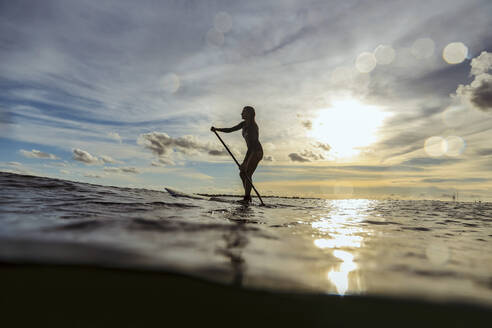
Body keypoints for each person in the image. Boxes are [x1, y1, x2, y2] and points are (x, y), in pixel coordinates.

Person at [211, 106, 263, 203]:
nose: (241, 114)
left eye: (243, 112)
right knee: (242, 174)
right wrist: (217, 129)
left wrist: (244, 163)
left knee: (247, 173)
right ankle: (248, 197)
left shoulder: (252, 127)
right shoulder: (243, 124)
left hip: (256, 151)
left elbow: (252, 147)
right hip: (251, 151)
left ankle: (246, 198)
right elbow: (230, 129)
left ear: (249, 114)